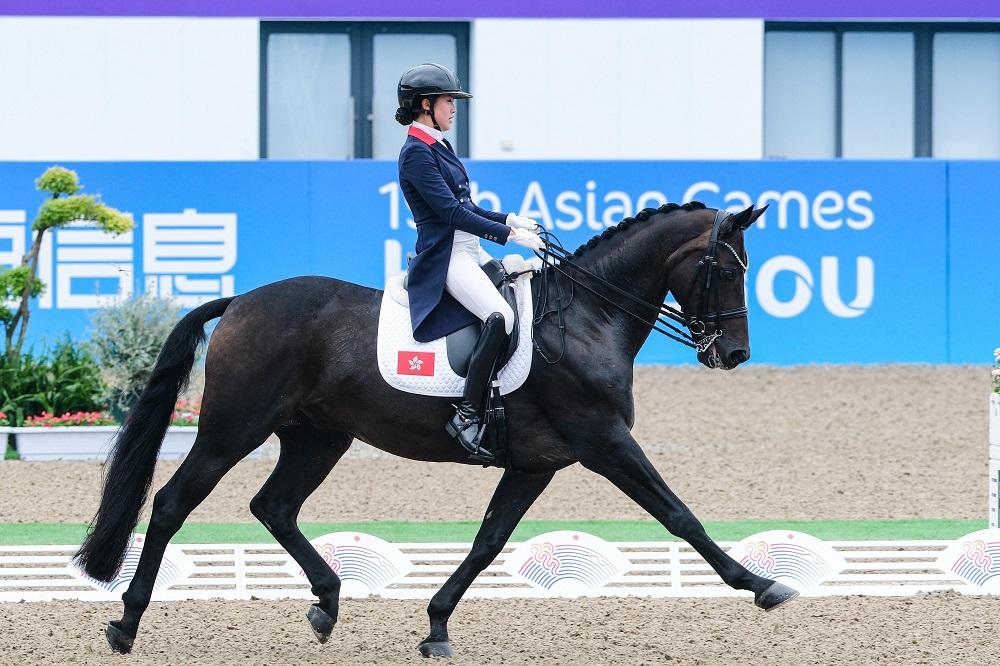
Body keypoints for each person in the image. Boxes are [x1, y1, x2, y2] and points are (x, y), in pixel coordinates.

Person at [395, 62, 545, 462]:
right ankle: (466, 414)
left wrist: (509, 219)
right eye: (448, 101)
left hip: (469, 248)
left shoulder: (438, 146)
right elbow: (451, 213)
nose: (454, 108)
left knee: (523, 288)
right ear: (425, 104)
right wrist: (507, 235)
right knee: (500, 316)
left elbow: (469, 207)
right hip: (446, 255)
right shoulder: (415, 153)